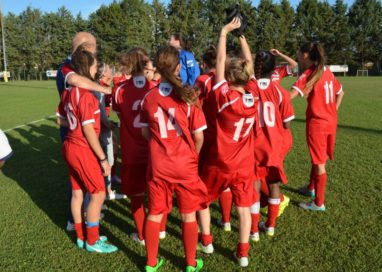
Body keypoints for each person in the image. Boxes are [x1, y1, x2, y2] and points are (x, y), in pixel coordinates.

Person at [140, 45, 209, 272]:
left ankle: (151, 263)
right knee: (188, 215)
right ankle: (190, 264)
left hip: (159, 164)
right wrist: (192, 156)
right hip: (185, 165)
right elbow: (199, 137)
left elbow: (145, 132)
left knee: (155, 212)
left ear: (157, 67)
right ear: (179, 66)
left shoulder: (148, 97)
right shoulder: (189, 96)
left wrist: (159, 146)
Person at [200, 18, 256, 267]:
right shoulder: (253, 95)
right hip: (244, 163)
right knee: (243, 208)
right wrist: (242, 36)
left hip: (219, 160)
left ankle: (207, 240)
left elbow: (219, 62)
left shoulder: (223, 95)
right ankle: (243, 253)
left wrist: (224, 32)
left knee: (201, 199)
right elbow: (250, 66)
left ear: (230, 76)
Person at [57, 46, 118, 253]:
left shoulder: (69, 92)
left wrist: (74, 127)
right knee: (98, 193)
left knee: (77, 192)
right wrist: (102, 159)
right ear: (87, 67)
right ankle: (92, 241)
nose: (96, 70)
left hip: (69, 146)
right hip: (82, 148)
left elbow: (60, 119)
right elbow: (89, 130)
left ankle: (81, 237)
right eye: (94, 66)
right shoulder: (87, 96)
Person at [290, 42, 344, 211]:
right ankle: (311, 188)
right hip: (330, 122)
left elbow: (289, 96)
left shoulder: (309, 73)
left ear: (305, 55)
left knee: (320, 162)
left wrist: (269, 96)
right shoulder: (326, 71)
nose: (297, 57)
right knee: (318, 157)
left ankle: (318, 203)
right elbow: (341, 92)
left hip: (318, 124)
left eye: (298, 54)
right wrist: (332, 111)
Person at [112, 48, 157, 245]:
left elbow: (122, 117)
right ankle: (159, 229)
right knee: (156, 194)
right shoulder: (155, 88)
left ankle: (142, 235)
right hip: (155, 151)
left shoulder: (119, 89)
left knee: (137, 196)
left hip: (131, 151)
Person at [248, 50, 294, 240]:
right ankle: (271, 226)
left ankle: (253, 231)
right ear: (274, 69)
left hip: (253, 145)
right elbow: (287, 123)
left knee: (255, 186)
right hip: (274, 145)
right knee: (274, 184)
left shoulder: (249, 89)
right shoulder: (279, 91)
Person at [257, 48, 297, 217]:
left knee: (261, 175)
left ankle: (277, 201)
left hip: (271, 128)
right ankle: (272, 206)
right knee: (267, 176)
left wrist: (280, 54)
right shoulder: (276, 88)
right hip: (274, 126)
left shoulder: (253, 85)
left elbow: (295, 66)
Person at [94, 62, 126, 201]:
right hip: (101, 125)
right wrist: (108, 123)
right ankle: (106, 190)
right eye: (108, 69)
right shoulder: (99, 88)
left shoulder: (105, 86)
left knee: (112, 150)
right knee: (107, 155)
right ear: (103, 74)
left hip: (104, 123)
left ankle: (109, 182)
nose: (111, 71)